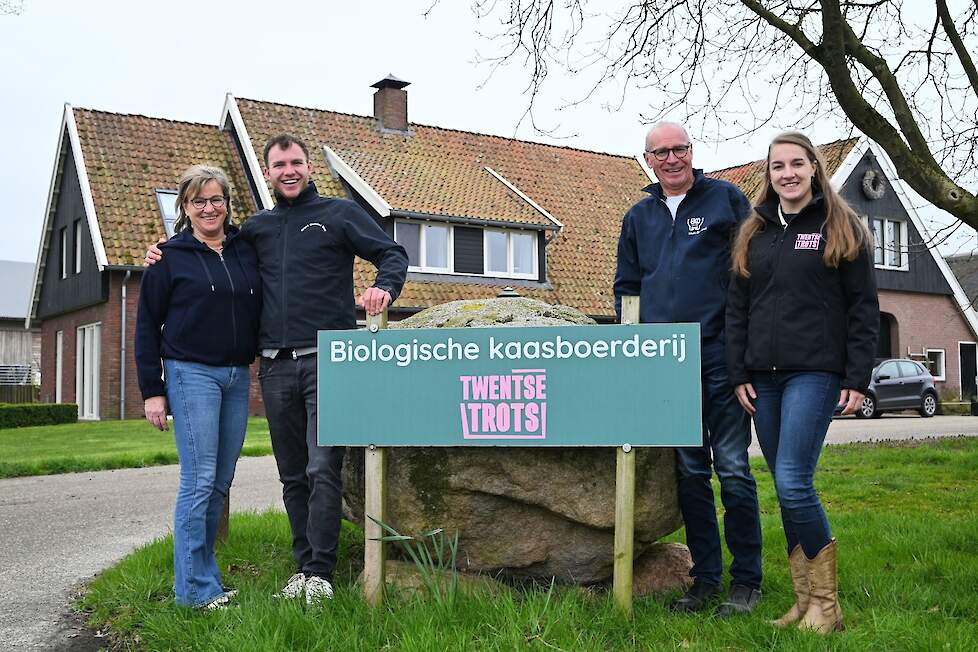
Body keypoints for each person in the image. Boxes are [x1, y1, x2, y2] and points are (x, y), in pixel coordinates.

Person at [146, 134, 407, 604]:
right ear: (266, 173)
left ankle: (320, 574)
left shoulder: (339, 215)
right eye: (279, 164)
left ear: (309, 168)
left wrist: (383, 288)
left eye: (296, 162)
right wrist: (164, 250)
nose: (288, 171)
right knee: (292, 475)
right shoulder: (255, 231)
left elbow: (392, 253)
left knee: (322, 466)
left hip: (329, 362)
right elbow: (208, 247)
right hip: (273, 367)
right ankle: (302, 568)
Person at [726, 131, 878, 634]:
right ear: (767, 175)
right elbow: (737, 310)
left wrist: (857, 376)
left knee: (793, 482)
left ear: (814, 167)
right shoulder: (755, 231)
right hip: (761, 379)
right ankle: (803, 601)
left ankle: (827, 608)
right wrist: (738, 372)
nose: (787, 174)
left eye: (796, 164)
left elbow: (863, 309)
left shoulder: (842, 226)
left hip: (815, 373)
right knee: (787, 484)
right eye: (777, 167)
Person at [614, 122, 763, 616]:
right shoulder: (638, 216)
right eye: (662, 152)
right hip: (665, 363)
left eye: (680, 149)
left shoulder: (726, 200)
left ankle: (747, 580)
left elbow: (751, 272)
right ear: (649, 160)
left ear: (692, 153)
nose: (672, 158)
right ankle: (705, 579)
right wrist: (634, 354)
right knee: (690, 472)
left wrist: (745, 350)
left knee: (735, 469)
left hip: (721, 354)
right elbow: (627, 288)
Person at [135, 165, 261, 610]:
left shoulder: (246, 249)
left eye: (216, 199)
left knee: (220, 481)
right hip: (191, 375)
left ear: (227, 203)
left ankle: (205, 579)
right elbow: (147, 326)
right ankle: (193, 592)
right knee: (199, 480)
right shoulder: (168, 257)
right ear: (185, 208)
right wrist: (153, 390)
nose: (209, 208)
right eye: (198, 201)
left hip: (236, 375)